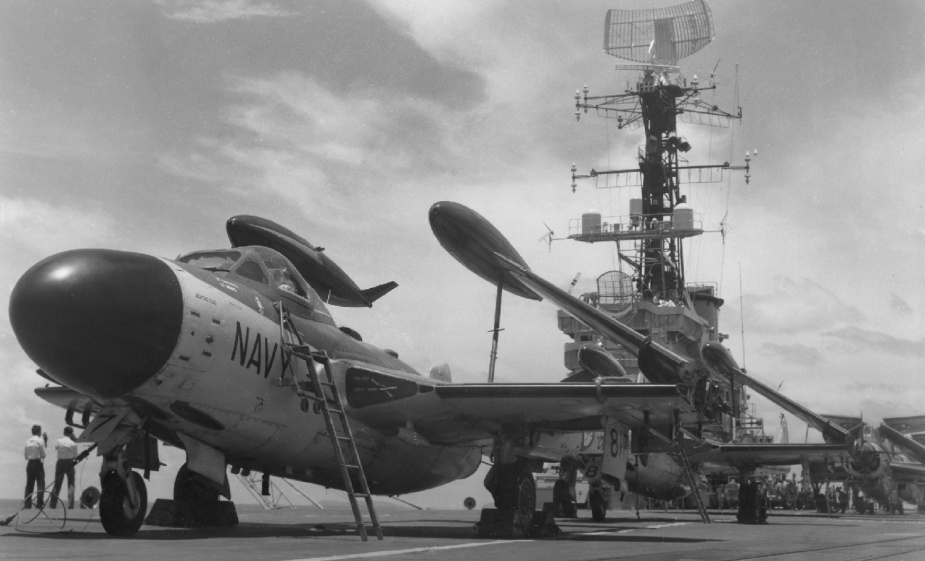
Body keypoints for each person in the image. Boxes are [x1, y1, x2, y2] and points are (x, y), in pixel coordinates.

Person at [49, 427, 78, 508]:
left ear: (64, 433)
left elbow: (56, 448)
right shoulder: (73, 443)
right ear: (71, 433)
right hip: (70, 462)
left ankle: (53, 504)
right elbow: (76, 456)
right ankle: (70, 504)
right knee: (71, 484)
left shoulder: (59, 441)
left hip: (60, 462)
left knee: (57, 483)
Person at [23, 424, 46, 509]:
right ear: (39, 431)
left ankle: (27, 505)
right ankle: (39, 504)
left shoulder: (27, 441)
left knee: (29, 485)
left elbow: (25, 456)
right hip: (37, 463)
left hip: (29, 463)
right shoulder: (40, 440)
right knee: (40, 484)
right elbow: (43, 455)